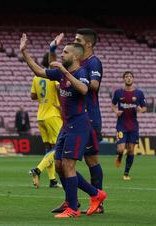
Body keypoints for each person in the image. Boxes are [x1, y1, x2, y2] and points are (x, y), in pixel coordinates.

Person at [20, 33, 107, 218]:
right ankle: (94, 194)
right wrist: (25, 52)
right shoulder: (62, 72)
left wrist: (64, 72)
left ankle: (74, 208)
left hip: (80, 125)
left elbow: (84, 89)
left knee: (69, 165)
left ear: (75, 56)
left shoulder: (80, 72)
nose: (62, 55)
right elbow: (39, 72)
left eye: (65, 52)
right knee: (59, 165)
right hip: (66, 126)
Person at [50, 28, 105, 214]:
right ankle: (71, 201)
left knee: (90, 160)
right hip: (74, 118)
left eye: (78, 39)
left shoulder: (92, 63)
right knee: (62, 164)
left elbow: (94, 86)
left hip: (88, 116)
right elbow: (54, 69)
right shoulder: (76, 63)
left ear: (88, 44)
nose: (75, 41)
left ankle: (97, 202)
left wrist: (79, 79)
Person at [28, 52, 62, 189]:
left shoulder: (37, 77)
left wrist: (44, 97)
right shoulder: (54, 76)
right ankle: (37, 170)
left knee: (49, 148)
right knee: (59, 147)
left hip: (41, 116)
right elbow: (61, 89)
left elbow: (33, 96)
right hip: (53, 114)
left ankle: (53, 180)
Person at [111, 71, 146, 180]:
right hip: (121, 125)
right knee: (121, 149)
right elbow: (112, 105)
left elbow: (144, 107)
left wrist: (141, 109)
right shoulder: (118, 92)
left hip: (133, 126)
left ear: (133, 79)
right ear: (124, 79)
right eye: (127, 77)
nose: (129, 78)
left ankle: (126, 173)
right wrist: (116, 111)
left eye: (131, 77)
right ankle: (120, 156)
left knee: (131, 150)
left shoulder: (139, 93)